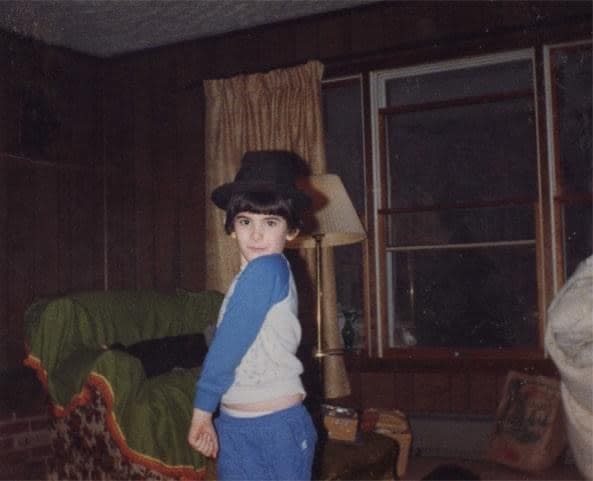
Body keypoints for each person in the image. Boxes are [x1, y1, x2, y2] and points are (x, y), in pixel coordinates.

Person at [187, 150, 318, 481]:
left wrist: (202, 410)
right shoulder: (247, 279)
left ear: (291, 231)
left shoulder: (268, 269)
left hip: (276, 429)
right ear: (231, 228)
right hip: (235, 425)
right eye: (246, 221)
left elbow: (229, 345)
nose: (256, 234)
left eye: (270, 222)